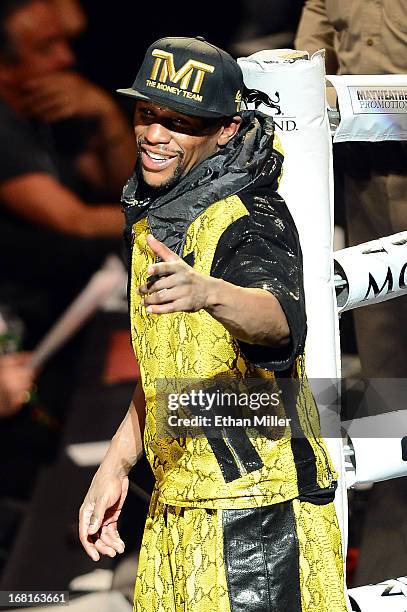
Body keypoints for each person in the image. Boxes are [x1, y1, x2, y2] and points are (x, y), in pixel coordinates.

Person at [79, 36, 347, 611]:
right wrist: (116, 462)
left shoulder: (249, 219)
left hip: (258, 522)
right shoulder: (159, 215)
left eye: (180, 123)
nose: (155, 135)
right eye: (148, 115)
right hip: (178, 506)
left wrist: (211, 292)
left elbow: (278, 322)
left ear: (225, 130)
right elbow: (169, 369)